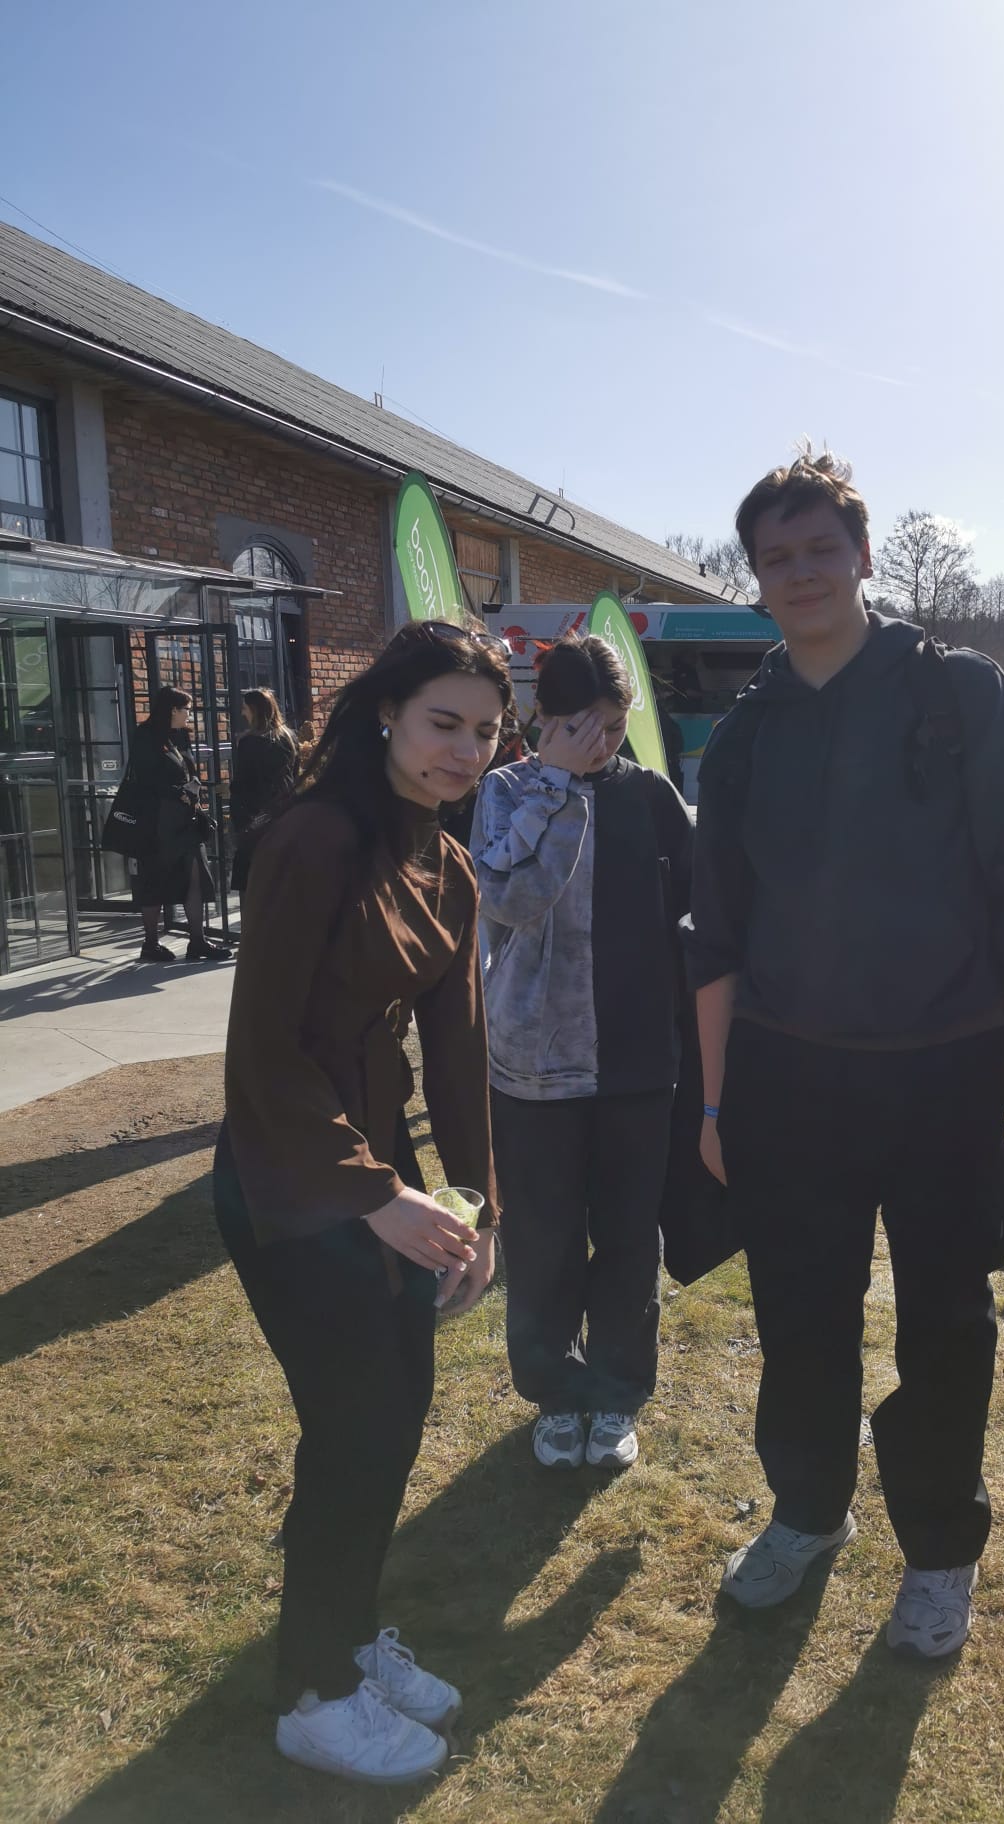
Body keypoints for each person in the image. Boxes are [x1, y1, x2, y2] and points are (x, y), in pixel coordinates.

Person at [687, 449, 1004, 1658]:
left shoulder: (957, 695)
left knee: (945, 1325)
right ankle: (807, 1512)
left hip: (942, 1074)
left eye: (821, 549)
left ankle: (938, 1553)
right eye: (776, 557)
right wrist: (713, 1107)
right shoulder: (745, 737)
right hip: (787, 1079)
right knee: (799, 1319)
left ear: (864, 556)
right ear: (755, 576)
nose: (801, 573)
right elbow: (714, 937)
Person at [212, 620, 507, 1784]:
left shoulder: (450, 865)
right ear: (387, 711)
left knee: (393, 1419)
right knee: (354, 1428)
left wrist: (477, 1213)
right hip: (286, 1180)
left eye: (485, 732)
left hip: (380, 1181)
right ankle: (315, 1694)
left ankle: (345, 1632)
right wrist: (375, 1194)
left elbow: (461, 1053)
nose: (464, 750)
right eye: (443, 723)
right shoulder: (314, 838)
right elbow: (263, 1054)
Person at [470, 635, 693, 1475]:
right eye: (580, 725)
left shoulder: (653, 797)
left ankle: (618, 1392)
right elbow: (510, 901)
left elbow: (693, 920)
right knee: (543, 1242)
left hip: (638, 1062)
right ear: (543, 718)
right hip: (533, 1064)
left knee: (631, 1242)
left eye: (613, 723)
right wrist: (557, 785)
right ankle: (556, 1395)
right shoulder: (504, 792)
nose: (600, 742)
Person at [124, 685, 231, 964]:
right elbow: (145, 779)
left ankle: (198, 941)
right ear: (172, 710)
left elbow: (187, 769)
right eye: (186, 710)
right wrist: (177, 792)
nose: (189, 716)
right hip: (157, 821)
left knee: (195, 874)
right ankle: (150, 944)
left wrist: (192, 790)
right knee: (154, 878)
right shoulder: (145, 735)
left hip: (186, 818)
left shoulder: (180, 735)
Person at [229, 687, 298, 896]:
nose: (243, 713)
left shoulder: (249, 742)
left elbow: (243, 781)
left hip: (254, 814)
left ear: (255, 710)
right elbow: (294, 775)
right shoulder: (289, 738)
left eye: (245, 708)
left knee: (251, 879)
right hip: (283, 810)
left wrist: (238, 815)